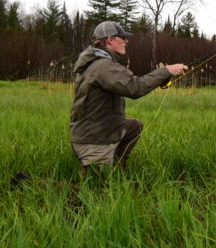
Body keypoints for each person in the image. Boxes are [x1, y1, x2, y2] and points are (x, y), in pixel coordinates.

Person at [69, 21, 188, 173]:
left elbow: (131, 84)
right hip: (93, 139)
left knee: (134, 126)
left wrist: (162, 76)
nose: (126, 41)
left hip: (94, 132)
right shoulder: (103, 66)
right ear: (110, 39)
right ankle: (97, 166)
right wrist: (167, 71)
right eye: (122, 37)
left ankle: (118, 166)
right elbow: (135, 87)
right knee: (98, 187)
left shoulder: (98, 63)